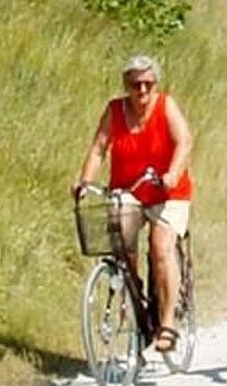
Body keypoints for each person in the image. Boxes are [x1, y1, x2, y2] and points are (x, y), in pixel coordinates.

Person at [73, 55, 194, 353]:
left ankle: (167, 323)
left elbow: (185, 141)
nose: (141, 91)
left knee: (160, 246)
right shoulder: (115, 111)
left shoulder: (166, 106)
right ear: (125, 85)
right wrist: (85, 181)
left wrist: (173, 173)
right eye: (135, 84)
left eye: (148, 84)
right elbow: (99, 149)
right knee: (120, 243)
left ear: (156, 85)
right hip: (130, 190)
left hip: (168, 192)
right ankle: (135, 291)